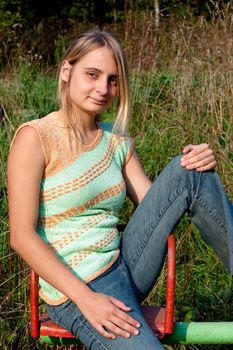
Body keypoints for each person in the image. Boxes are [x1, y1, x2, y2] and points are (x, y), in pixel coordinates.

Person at [7, 29, 233, 350]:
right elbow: (21, 236)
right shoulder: (36, 137)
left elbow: (155, 205)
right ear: (66, 71)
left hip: (126, 264)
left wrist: (197, 163)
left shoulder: (117, 140)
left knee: (190, 171)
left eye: (113, 80)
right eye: (92, 74)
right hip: (78, 288)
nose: (103, 88)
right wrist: (87, 299)